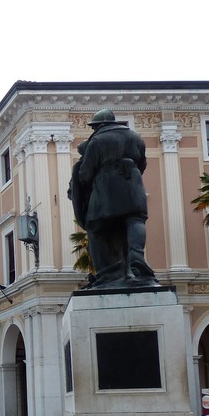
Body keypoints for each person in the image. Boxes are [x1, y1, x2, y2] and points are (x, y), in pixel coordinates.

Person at [68, 109, 159, 290]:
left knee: (96, 229)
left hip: (105, 188)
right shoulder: (136, 138)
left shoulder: (97, 141)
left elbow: (86, 174)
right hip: (133, 184)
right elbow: (143, 164)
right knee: (135, 219)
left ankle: (108, 273)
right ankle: (136, 256)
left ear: (99, 125)